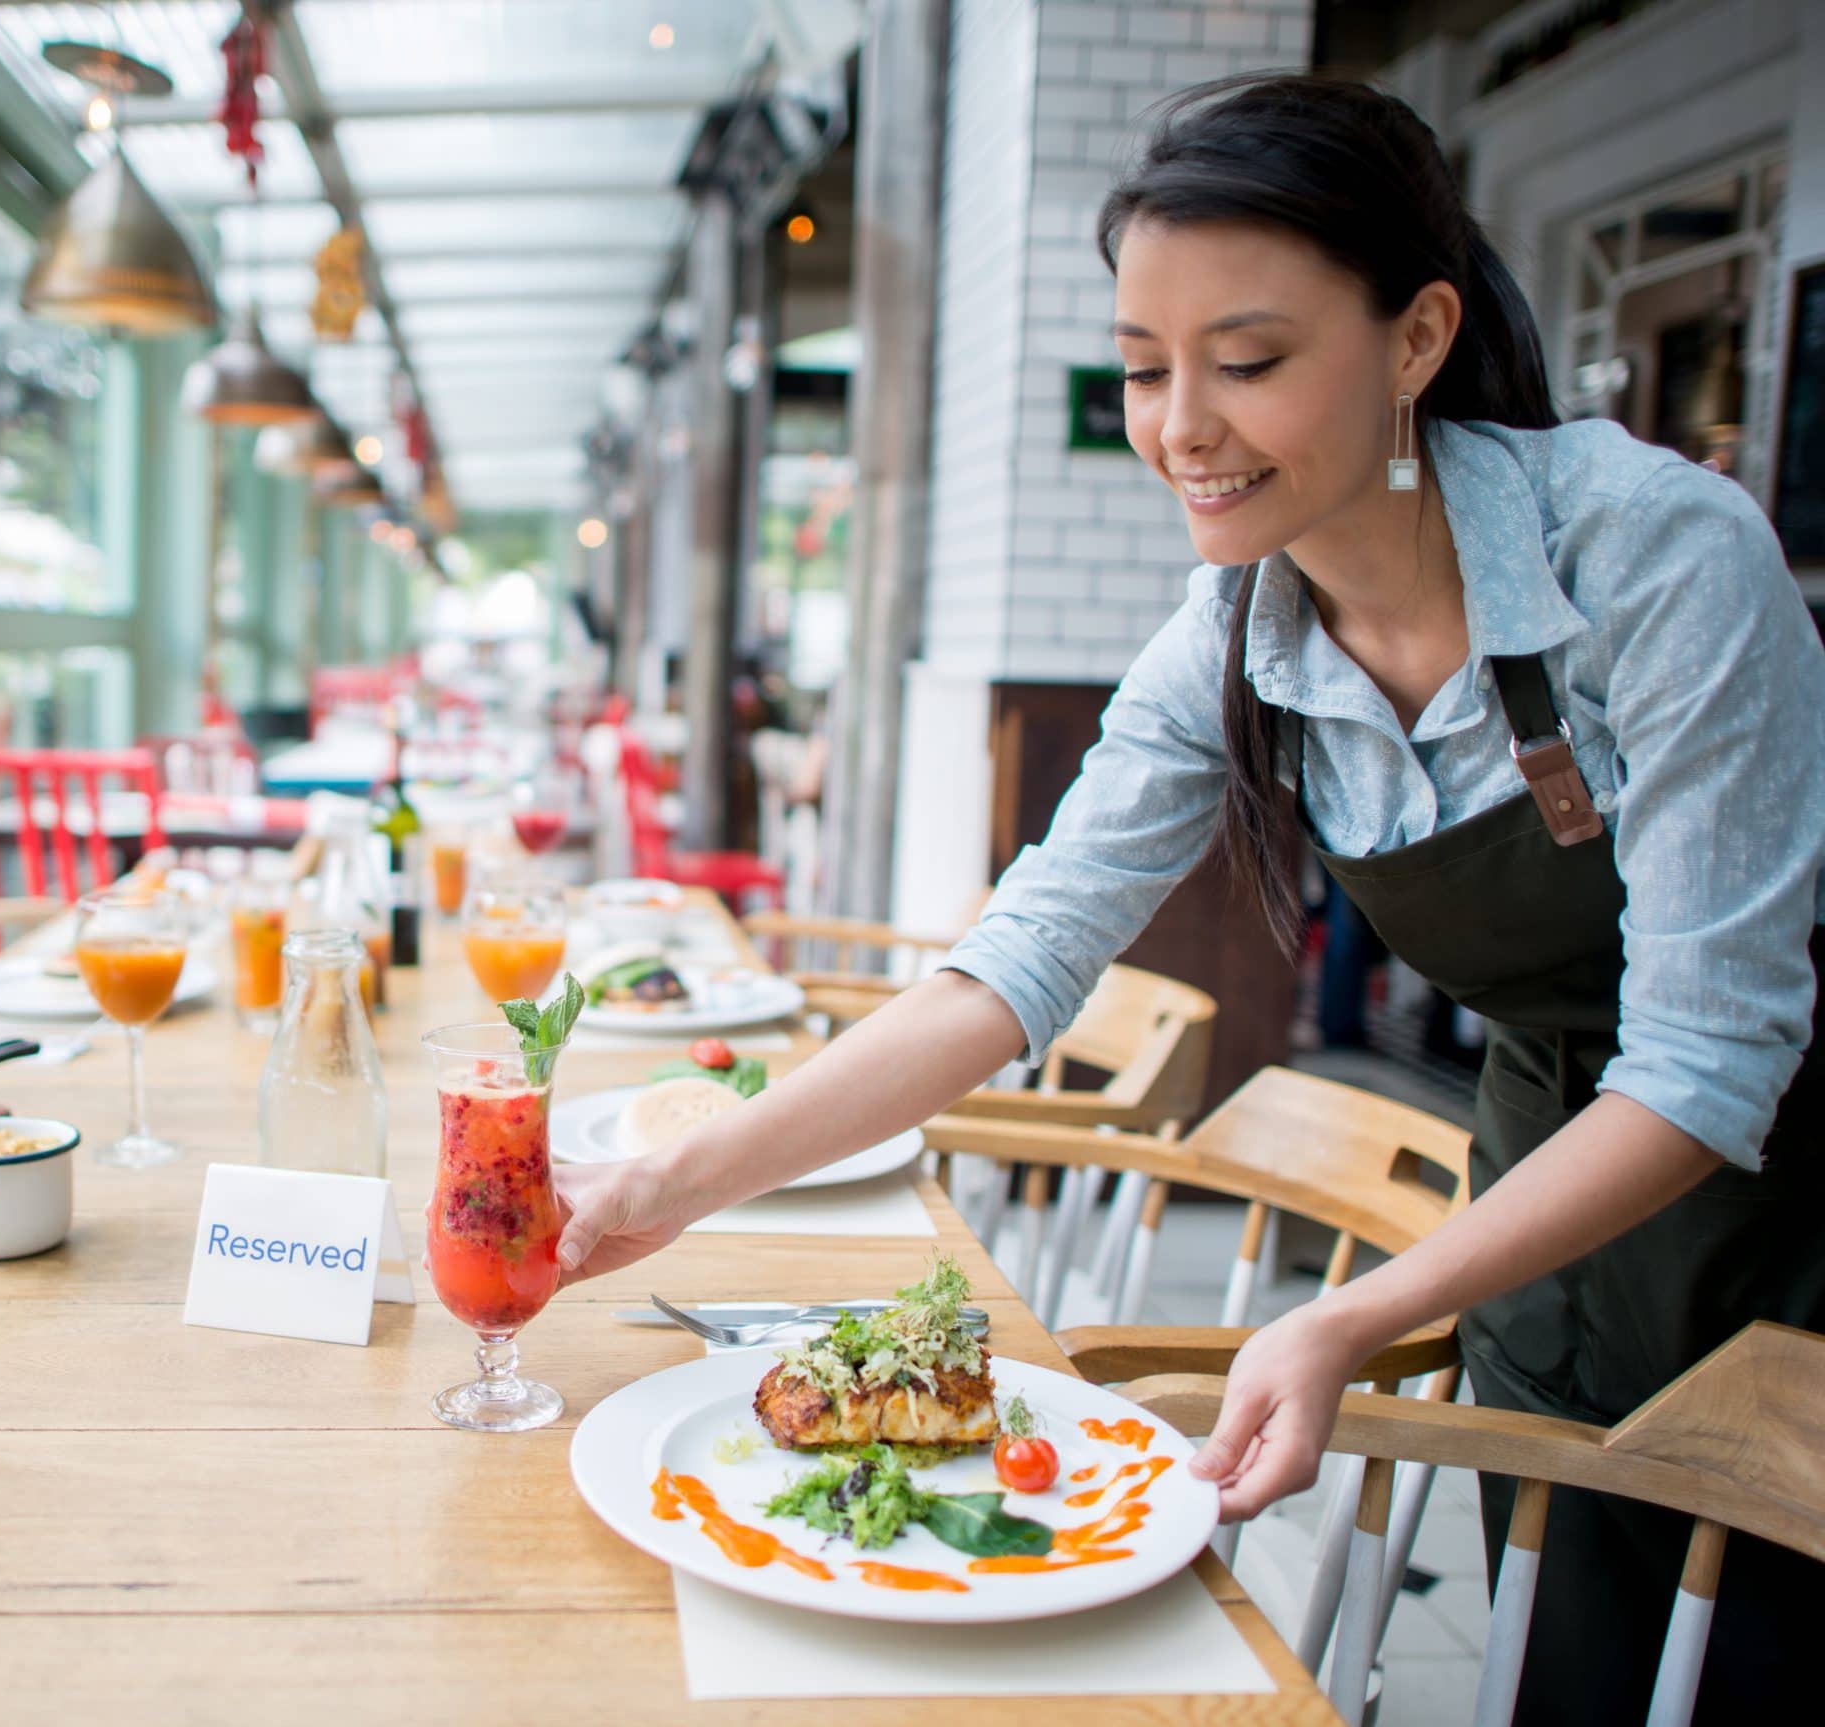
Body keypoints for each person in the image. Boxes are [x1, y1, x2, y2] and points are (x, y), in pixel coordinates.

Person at [550, 76, 1821, 1724]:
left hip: (1786, 1193)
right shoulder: (1234, 635)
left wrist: (1349, 1316)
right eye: (1146, 370)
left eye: (1251, 361)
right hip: (1547, 1172)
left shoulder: (1655, 560)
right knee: (1565, 1648)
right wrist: (685, 1177)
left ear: (1419, 339)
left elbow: (1714, 1066)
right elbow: (1020, 961)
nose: (1182, 428)